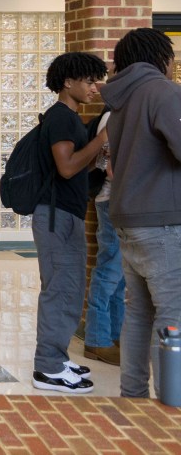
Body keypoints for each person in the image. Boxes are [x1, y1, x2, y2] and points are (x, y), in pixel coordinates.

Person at [100, 27, 181, 399]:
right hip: (164, 222)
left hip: (129, 220)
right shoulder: (162, 93)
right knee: (173, 314)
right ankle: (171, 402)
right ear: (161, 57)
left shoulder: (121, 102)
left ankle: (132, 397)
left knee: (138, 314)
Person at [29, 52, 108, 394]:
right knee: (60, 289)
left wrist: (98, 159)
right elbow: (66, 167)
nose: (95, 87)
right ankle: (47, 367)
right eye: (89, 81)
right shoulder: (61, 118)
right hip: (55, 216)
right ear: (67, 82)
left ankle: (58, 358)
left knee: (70, 288)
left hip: (66, 213)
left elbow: (76, 169)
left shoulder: (72, 119)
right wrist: (103, 140)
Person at [83, 109, 123, 367]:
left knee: (120, 276)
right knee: (109, 269)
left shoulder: (125, 112)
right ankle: (97, 340)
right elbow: (108, 167)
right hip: (112, 201)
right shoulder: (114, 116)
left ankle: (114, 336)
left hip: (121, 202)